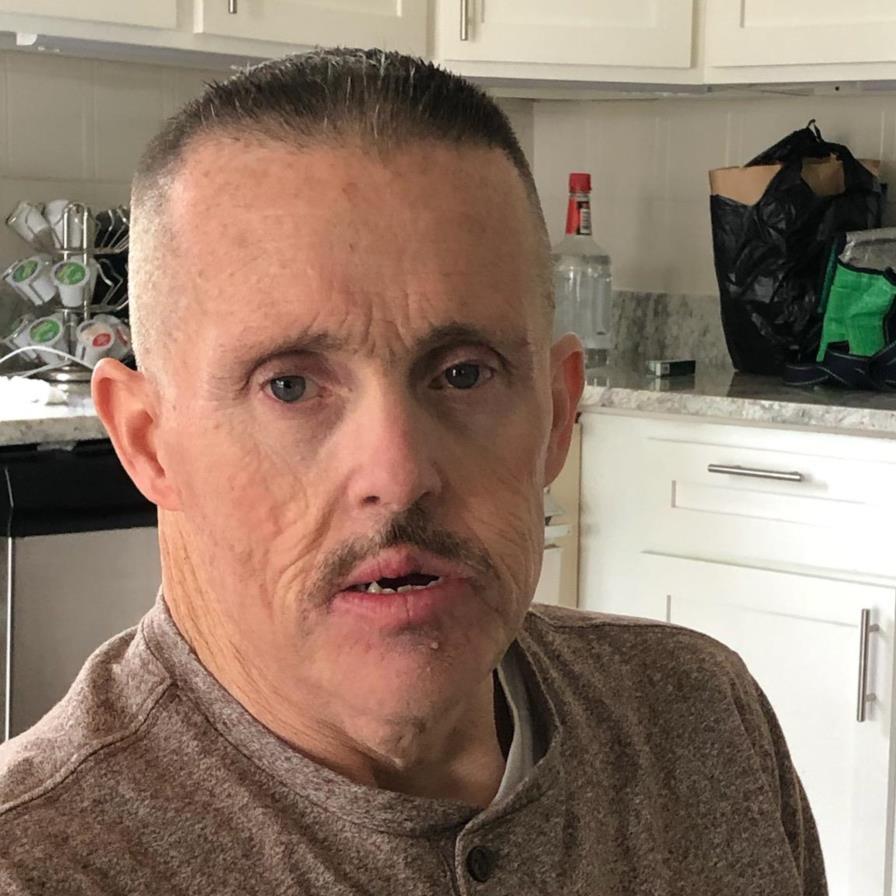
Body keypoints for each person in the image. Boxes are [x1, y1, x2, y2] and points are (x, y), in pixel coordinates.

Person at [0, 48, 826, 895]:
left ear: (556, 415)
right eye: (289, 386)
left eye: (463, 373)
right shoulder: (38, 863)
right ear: (146, 441)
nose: (397, 474)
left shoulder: (701, 717)